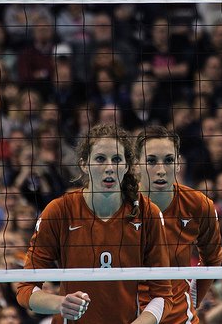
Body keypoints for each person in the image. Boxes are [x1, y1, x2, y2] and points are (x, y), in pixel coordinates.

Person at [16, 124, 173, 324]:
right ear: (84, 164)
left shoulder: (147, 213)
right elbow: (25, 289)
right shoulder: (60, 211)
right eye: (100, 159)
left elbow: (163, 295)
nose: (109, 167)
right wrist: (59, 303)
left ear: (127, 166)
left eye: (116, 159)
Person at [135, 125, 222, 324]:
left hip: (179, 317)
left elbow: (212, 259)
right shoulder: (119, 205)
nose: (161, 169)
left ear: (178, 164)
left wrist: (193, 297)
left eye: (168, 160)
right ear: (135, 165)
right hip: (131, 314)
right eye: (151, 161)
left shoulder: (198, 204)